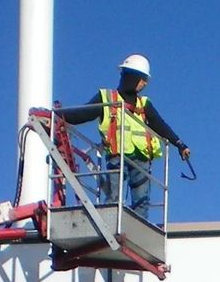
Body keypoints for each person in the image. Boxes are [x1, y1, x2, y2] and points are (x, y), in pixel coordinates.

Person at [57, 54, 190, 217]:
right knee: (114, 197)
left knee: (141, 202)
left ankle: (138, 225)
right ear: (132, 76)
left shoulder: (144, 104)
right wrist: (59, 115)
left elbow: (160, 125)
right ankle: (112, 221)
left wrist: (179, 143)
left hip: (141, 158)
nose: (144, 84)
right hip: (117, 155)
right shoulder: (107, 98)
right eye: (142, 79)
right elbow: (83, 113)